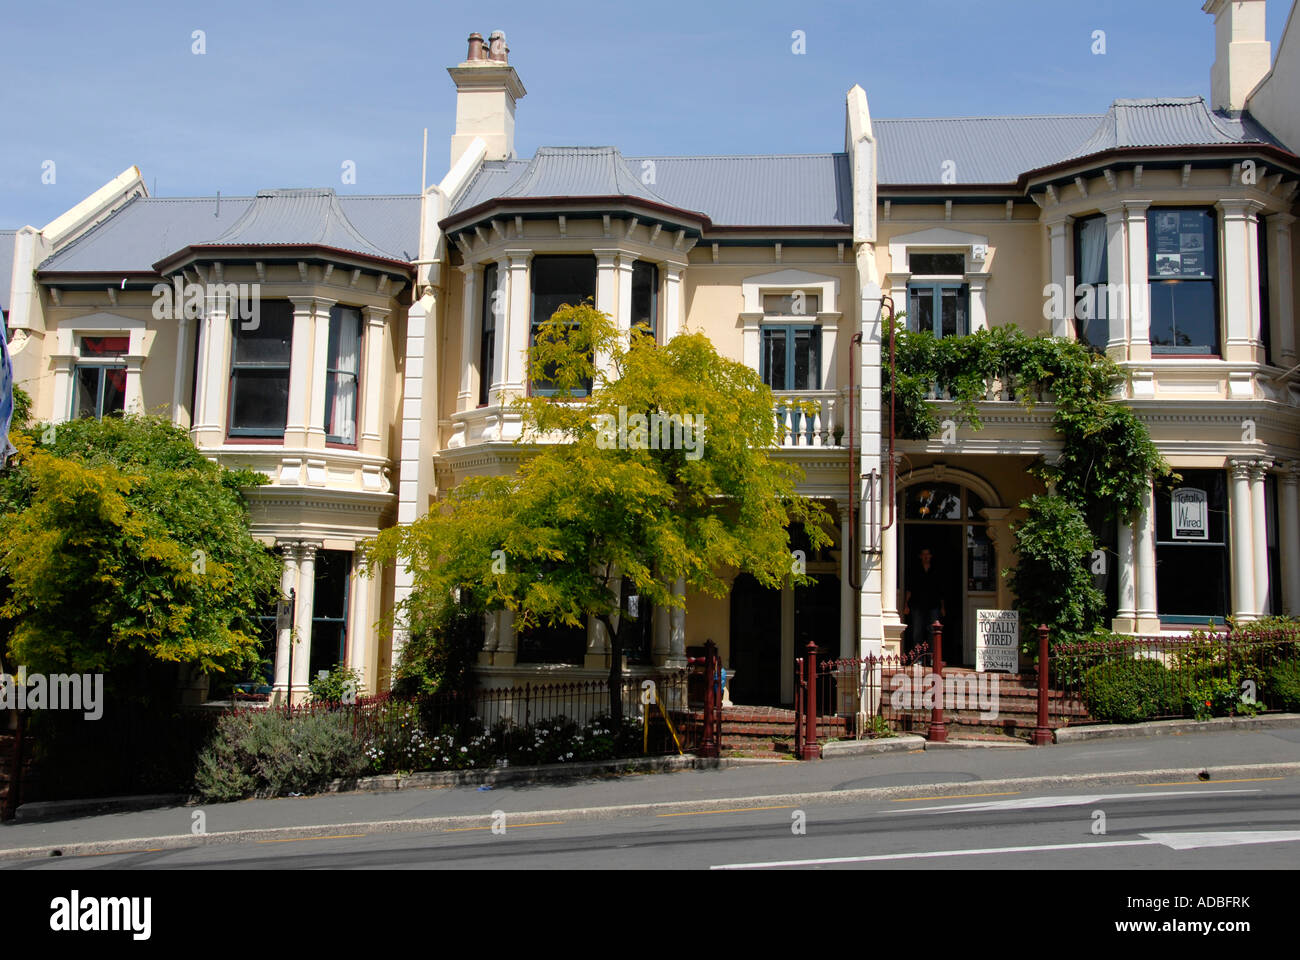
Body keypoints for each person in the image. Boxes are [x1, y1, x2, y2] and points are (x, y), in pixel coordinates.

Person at [903, 548, 945, 655]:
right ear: (920, 556)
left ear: (931, 556)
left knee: (933, 632)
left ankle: (931, 657)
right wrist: (906, 605)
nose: (926, 557)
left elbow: (941, 590)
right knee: (917, 632)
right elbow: (909, 589)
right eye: (924, 554)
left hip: (933, 605)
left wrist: (942, 607)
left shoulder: (936, 570)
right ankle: (918, 657)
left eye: (928, 554)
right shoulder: (915, 570)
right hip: (917, 605)